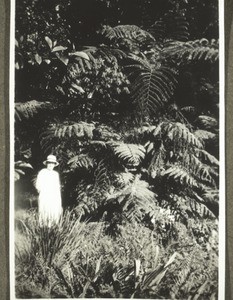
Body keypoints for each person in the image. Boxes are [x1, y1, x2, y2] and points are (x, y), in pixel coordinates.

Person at [36, 155, 62, 226]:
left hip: (54, 196)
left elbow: (57, 187)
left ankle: (52, 229)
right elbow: (38, 185)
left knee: (53, 212)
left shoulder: (55, 174)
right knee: (44, 211)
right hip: (45, 195)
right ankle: (43, 229)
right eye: (49, 163)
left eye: (52, 163)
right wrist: (44, 192)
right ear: (47, 163)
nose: (51, 165)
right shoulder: (42, 172)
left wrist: (57, 197)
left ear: (54, 165)